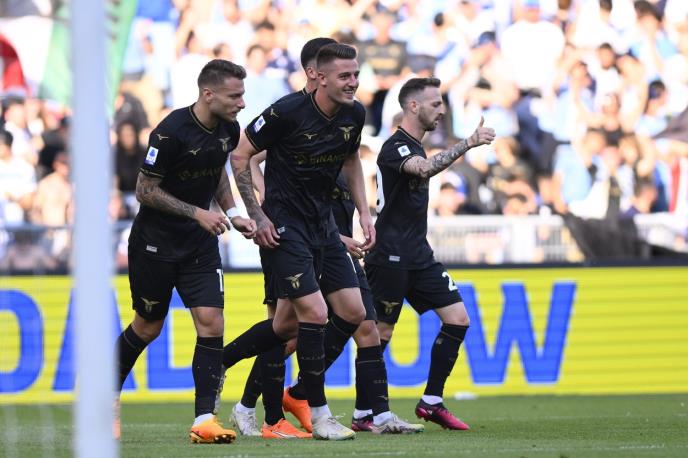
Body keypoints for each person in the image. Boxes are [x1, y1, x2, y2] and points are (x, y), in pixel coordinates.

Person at [226, 43, 373, 440]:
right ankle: (319, 414)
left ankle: (225, 369)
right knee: (313, 314)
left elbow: (351, 160)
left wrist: (364, 211)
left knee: (345, 312)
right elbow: (240, 155)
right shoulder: (286, 112)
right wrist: (257, 214)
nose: (353, 82)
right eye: (345, 76)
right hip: (284, 227)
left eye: (355, 75)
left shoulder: (354, 114)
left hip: (324, 227)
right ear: (318, 77)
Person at [112, 59, 257, 444]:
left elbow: (217, 171)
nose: (242, 103)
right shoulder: (170, 132)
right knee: (148, 326)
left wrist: (233, 214)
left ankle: (204, 420)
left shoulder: (229, 128)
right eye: (235, 96)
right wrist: (197, 213)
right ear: (208, 94)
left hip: (199, 244)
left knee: (212, 322)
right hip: (155, 244)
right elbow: (144, 191)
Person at [364, 77, 495, 430]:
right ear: (413, 106)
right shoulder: (396, 147)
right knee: (380, 334)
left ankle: (432, 401)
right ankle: (363, 412)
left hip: (419, 254)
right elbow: (423, 169)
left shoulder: (415, 145)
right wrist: (468, 143)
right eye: (435, 103)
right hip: (389, 255)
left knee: (458, 318)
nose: (442, 109)